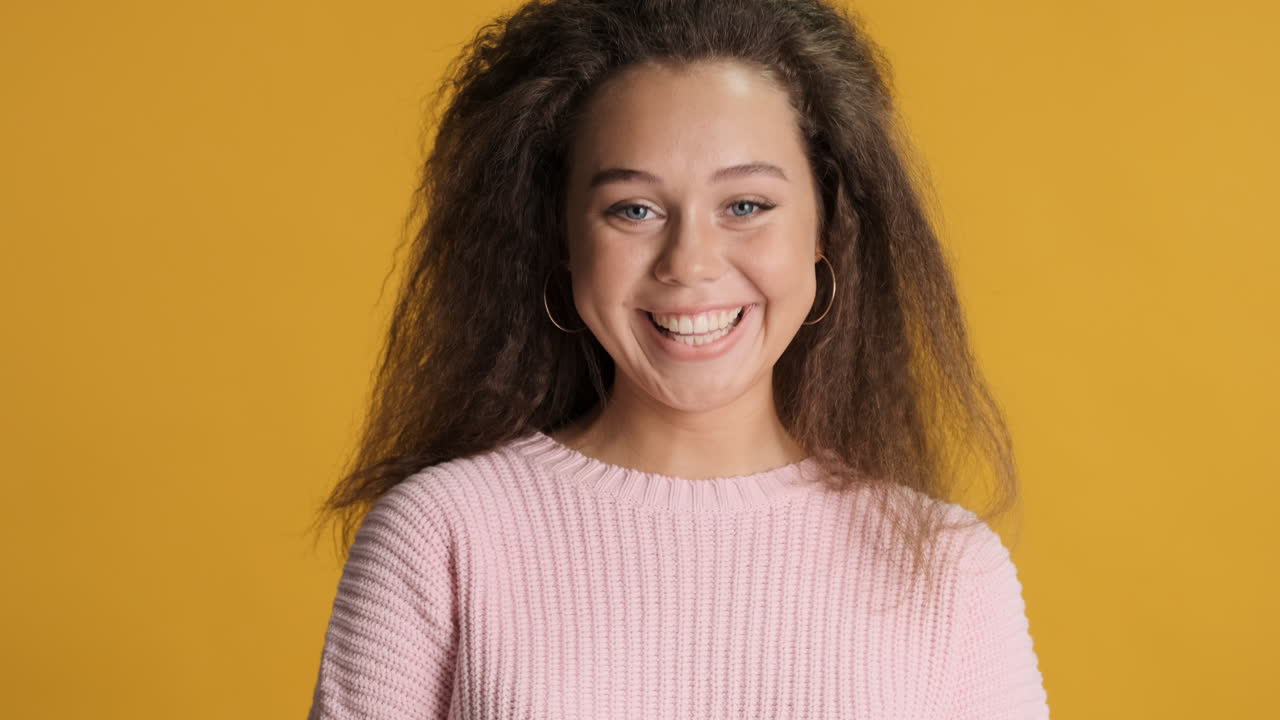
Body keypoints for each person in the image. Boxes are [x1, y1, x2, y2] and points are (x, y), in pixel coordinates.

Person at [305, 0, 1050, 717]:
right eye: (634, 209)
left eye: (747, 205)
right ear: (565, 241)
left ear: (824, 229)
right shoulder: (442, 539)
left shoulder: (950, 571)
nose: (689, 264)